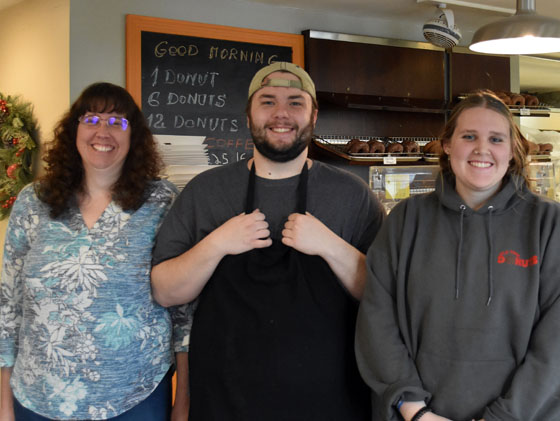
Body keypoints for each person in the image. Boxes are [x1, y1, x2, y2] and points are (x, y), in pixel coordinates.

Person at [150, 61, 384, 420]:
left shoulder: (352, 196)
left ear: (313, 115)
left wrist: (330, 246)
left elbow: (383, 294)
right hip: (225, 401)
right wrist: (217, 243)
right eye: (267, 101)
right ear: (248, 115)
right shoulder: (206, 192)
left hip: (330, 402)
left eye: (295, 102)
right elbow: (165, 291)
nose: (281, 114)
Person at [355, 91, 560, 421]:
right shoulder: (405, 221)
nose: (482, 149)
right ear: (447, 144)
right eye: (468, 136)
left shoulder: (550, 225)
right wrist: (415, 410)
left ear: (512, 151)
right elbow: (378, 322)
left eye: (496, 139)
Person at [0, 82, 186, 420]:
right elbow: (8, 305)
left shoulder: (162, 202)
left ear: (135, 137)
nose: (104, 131)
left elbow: (183, 314)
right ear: (74, 130)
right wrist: (2, 403)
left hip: (135, 397)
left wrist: (183, 402)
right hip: (38, 398)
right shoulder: (33, 201)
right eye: (91, 119)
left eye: (118, 122)